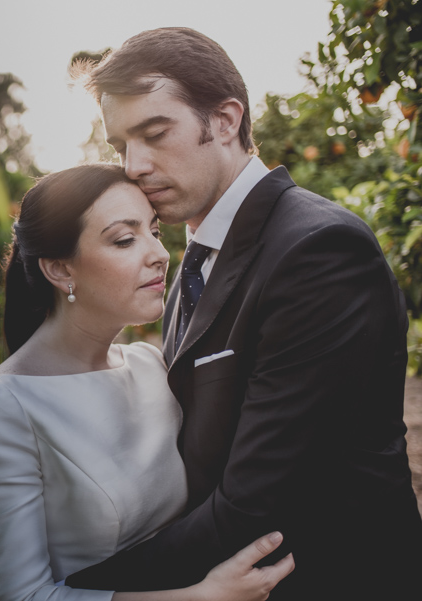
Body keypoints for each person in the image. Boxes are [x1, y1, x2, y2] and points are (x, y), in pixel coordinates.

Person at [62, 28, 422, 600]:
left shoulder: (319, 250)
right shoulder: (194, 260)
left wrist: (68, 591)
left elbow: (256, 501)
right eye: (119, 146)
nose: (132, 165)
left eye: (154, 134)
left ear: (226, 120)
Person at [0, 164, 294, 601]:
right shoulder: (0, 407)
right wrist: (201, 598)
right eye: (125, 239)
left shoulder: (150, 365)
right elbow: (19, 596)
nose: (159, 253)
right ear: (60, 270)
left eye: (154, 231)